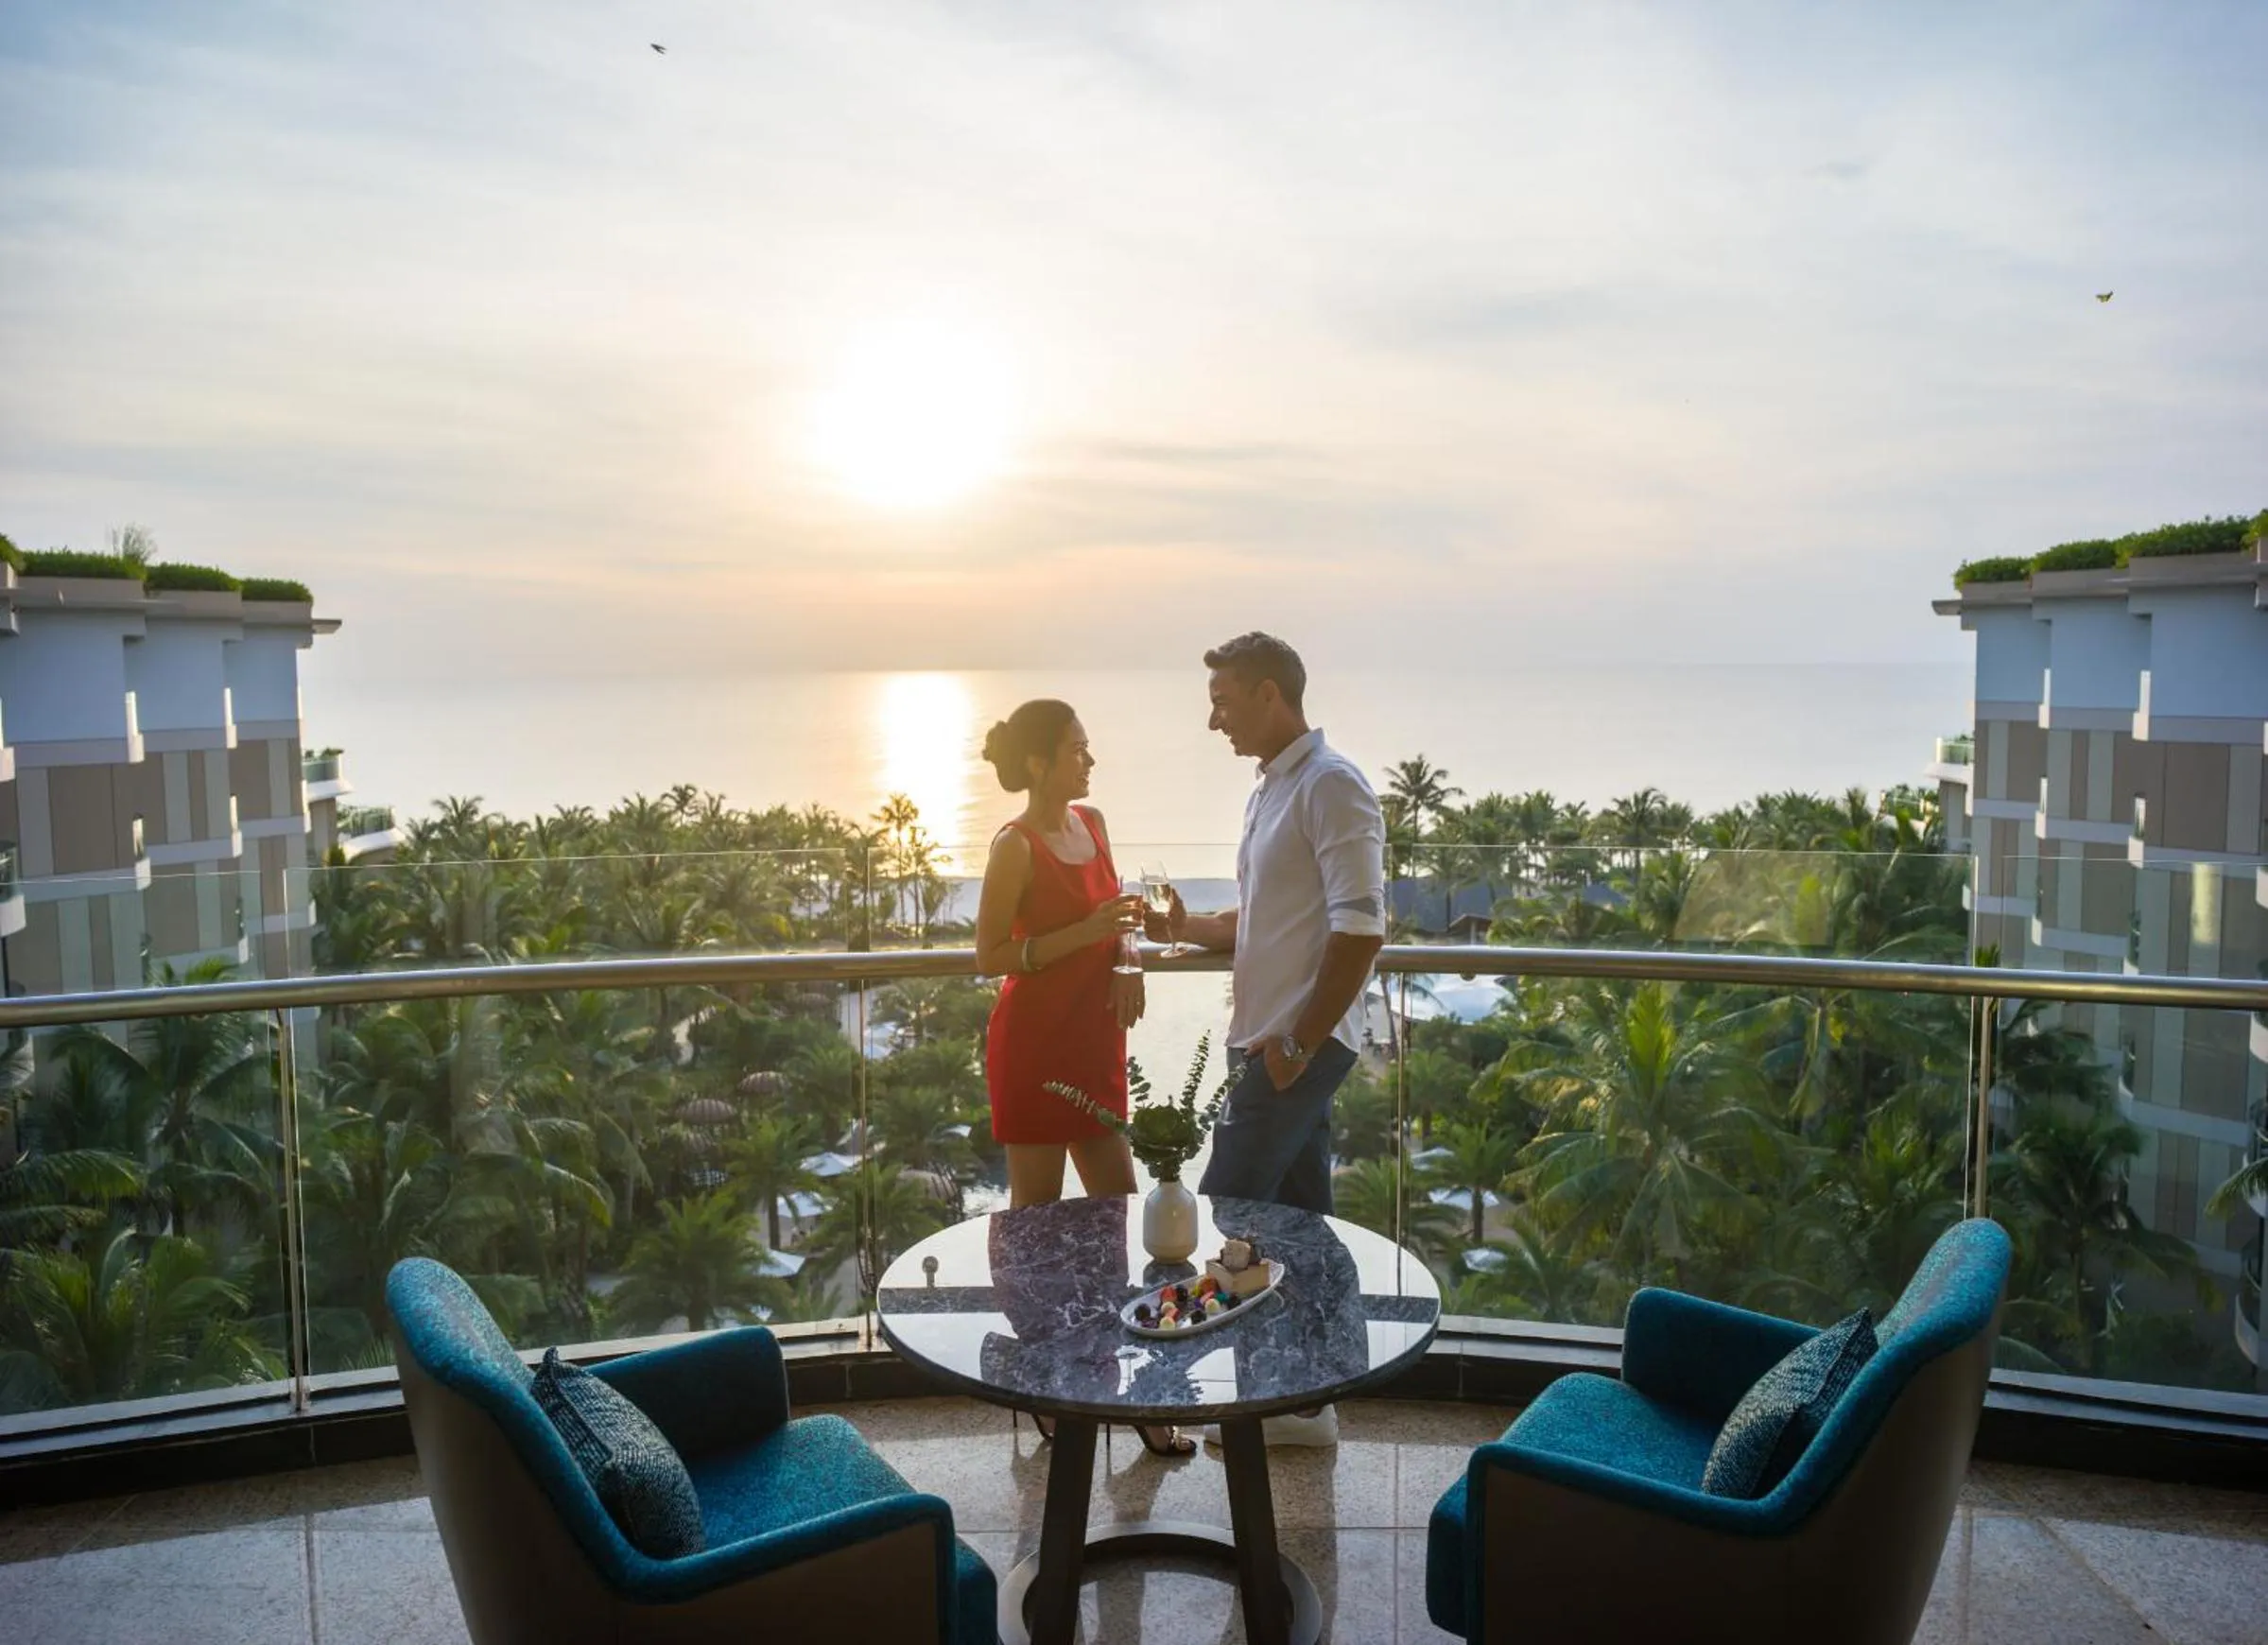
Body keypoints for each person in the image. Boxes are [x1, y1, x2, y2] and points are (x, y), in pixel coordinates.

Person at [1151, 632, 1386, 1447]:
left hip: (1294, 1048)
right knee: (1298, 1220)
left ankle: (1165, 1393)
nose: (1213, 720)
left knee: (1227, 1207)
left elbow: (1361, 930)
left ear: (1267, 694)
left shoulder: (1332, 786)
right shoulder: (1272, 790)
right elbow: (1266, 918)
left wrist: (1296, 1045)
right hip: (1266, 1043)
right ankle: (1301, 1401)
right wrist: (1186, 927)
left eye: (1222, 701)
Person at [974, 697, 1193, 1460]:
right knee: (1035, 1232)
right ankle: (1047, 1388)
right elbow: (990, 955)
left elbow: (1117, 922)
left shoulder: (1092, 824)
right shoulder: (1014, 845)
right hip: (1034, 1047)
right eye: (1076, 749)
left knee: (1115, 1223)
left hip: (1095, 1045)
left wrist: (1126, 958)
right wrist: (1086, 933)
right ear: (1039, 762)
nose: (1089, 760)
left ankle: (1136, 1396)